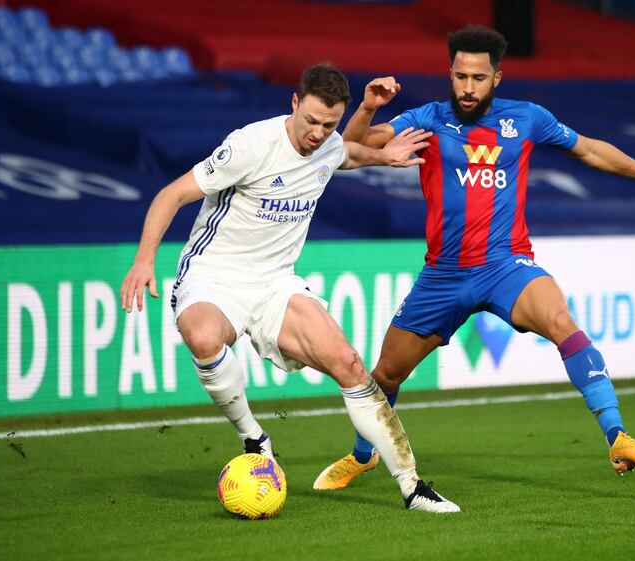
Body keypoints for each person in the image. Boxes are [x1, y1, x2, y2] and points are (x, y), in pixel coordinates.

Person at [313, 26, 635, 492]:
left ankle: (618, 437)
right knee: (385, 374)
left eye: (477, 77)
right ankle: (364, 455)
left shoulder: (527, 118)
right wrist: (369, 107)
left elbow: (591, 150)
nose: (467, 87)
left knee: (560, 320)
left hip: (506, 265)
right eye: (459, 76)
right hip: (444, 276)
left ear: (497, 77)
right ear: (449, 74)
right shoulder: (428, 118)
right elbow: (349, 149)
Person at [120, 64, 460, 513]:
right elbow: (171, 194)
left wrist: (384, 156)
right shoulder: (250, 145)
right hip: (214, 275)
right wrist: (144, 260)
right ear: (295, 103)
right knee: (203, 337)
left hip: (275, 282)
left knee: (349, 363)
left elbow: (348, 154)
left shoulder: (329, 144)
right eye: (312, 121)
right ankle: (254, 439)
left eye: (329, 125)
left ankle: (412, 487)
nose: (318, 134)